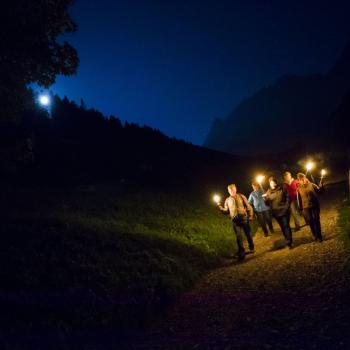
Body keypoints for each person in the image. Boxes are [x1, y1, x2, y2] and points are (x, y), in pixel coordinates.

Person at [218, 184, 255, 261]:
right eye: (230, 190)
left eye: (233, 189)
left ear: (236, 189)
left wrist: (251, 216)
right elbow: (226, 211)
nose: (232, 191)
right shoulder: (227, 200)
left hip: (244, 218)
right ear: (228, 191)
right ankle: (242, 252)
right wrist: (220, 207)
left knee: (248, 234)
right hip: (235, 221)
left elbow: (248, 206)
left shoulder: (241, 196)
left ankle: (251, 247)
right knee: (238, 236)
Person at [263, 177, 293, 248]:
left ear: (276, 183)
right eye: (270, 183)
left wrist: (286, 207)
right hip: (276, 213)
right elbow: (267, 204)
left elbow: (288, 197)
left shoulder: (282, 188)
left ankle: (289, 241)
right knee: (282, 227)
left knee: (286, 226)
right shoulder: (268, 192)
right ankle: (287, 238)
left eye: (273, 182)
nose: (272, 184)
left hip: (284, 211)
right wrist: (265, 199)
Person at [296, 173, 323, 242]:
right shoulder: (298, 188)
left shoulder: (311, 184)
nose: (303, 180)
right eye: (301, 179)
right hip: (306, 207)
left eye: (303, 178)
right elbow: (298, 199)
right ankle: (314, 234)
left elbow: (319, 191)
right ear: (299, 180)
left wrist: (321, 184)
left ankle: (319, 236)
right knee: (310, 221)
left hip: (315, 205)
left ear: (305, 178)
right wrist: (300, 208)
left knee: (316, 219)